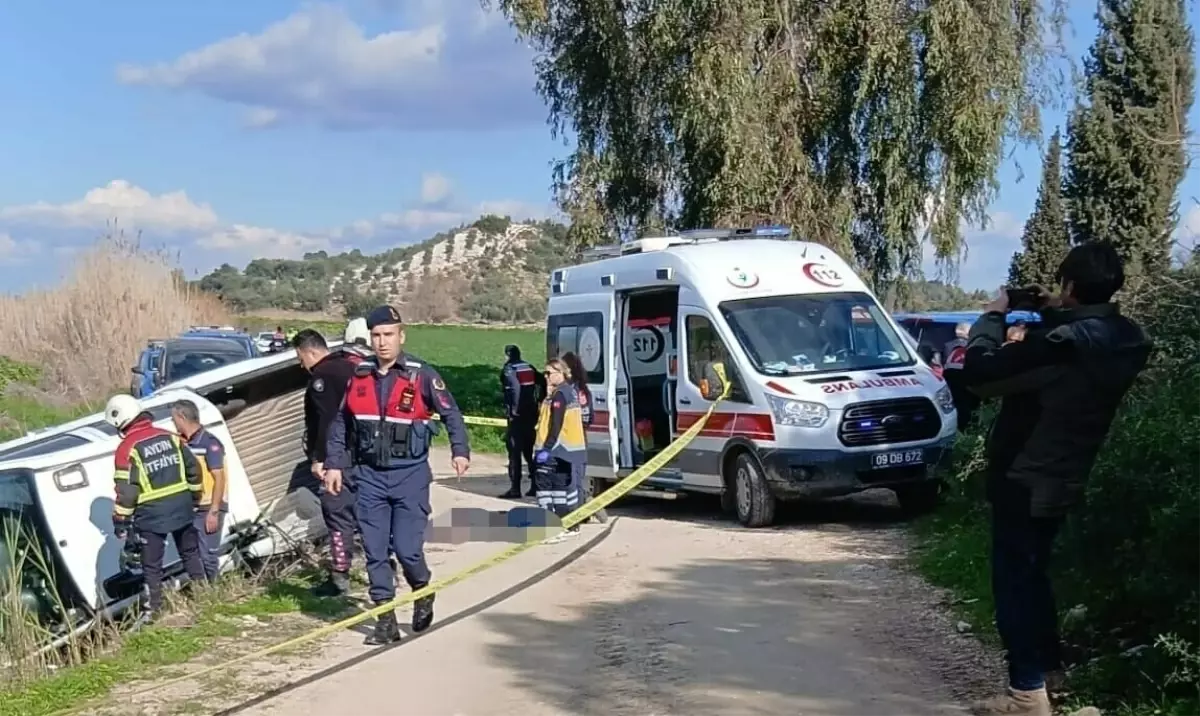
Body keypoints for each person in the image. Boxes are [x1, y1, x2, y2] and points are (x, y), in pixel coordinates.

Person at [959, 242, 1151, 716]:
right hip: (1069, 471)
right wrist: (1052, 310)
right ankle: (1049, 674)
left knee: (1014, 582)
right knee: (1034, 572)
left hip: (1025, 476)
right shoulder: (1126, 338)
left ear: (1070, 285)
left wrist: (992, 318)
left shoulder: (1064, 346)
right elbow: (1082, 340)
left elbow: (981, 375)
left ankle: (1026, 695)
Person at [324, 305, 471, 644]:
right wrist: (333, 463)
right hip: (369, 477)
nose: (382, 342)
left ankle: (422, 590)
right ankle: (385, 619)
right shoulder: (359, 376)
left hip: (410, 477)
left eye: (388, 335)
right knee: (375, 551)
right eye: (376, 335)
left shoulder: (422, 375)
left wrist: (459, 450)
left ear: (401, 336)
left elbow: (451, 414)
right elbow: (340, 423)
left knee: (407, 550)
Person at [105, 394, 208, 621]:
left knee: (151, 567)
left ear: (120, 421)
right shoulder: (171, 437)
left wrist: (120, 520)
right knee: (191, 554)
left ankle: (155, 609)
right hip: (182, 507)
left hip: (151, 515)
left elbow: (127, 491)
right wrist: (194, 497)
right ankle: (205, 595)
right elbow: (194, 469)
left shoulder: (127, 448)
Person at [293, 328, 361, 597]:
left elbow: (327, 421)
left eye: (300, 358)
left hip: (338, 460)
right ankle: (384, 564)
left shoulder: (323, 376)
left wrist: (320, 458)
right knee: (367, 513)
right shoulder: (350, 367)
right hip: (360, 456)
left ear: (311, 351)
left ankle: (339, 576)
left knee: (337, 515)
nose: (301, 365)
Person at [169, 399, 227, 582]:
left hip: (209, 507)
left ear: (181, 417)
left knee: (208, 556)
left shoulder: (210, 443)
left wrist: (214, 511)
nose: (173, 423)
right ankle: (205, 592)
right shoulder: (184, 444)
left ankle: (216, 590)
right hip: (192, 508)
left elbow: (220, 478)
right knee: (194, 556)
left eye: (173, 419)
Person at [533, 359, 588, 543]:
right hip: (567, 452)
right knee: (561, 492)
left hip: (555, 451)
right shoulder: (568, 392)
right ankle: (565, 526)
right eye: (545, 373)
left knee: (545, 491)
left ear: (561, 373)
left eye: (549, 373)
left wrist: (546, 449)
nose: (546, 377)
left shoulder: (560, 395)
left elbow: (555, 425)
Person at [561, 351, 607, 524]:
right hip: (581, 437)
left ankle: (585, 505)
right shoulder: (583, 389)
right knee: (576, 477)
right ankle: (584, 507)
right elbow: (589, 417)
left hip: (569, 438)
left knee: (570, 478)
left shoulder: (568, 390)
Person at [499, 344, 545, 499]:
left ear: (507, 355)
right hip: (531, 414)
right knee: (528, 451)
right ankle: (535, 486)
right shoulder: (528, 367)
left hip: (517, 416)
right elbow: (543, 381)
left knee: (514, 452)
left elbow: (514, 388)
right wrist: (540, 400)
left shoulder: (510, 369)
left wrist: (513, 410)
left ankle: (515, 489)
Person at [941, 321, 979, 430]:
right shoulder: (972, 347)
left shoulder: (947, 346)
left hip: (950, 381)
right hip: (965, 383)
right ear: (968, 332)